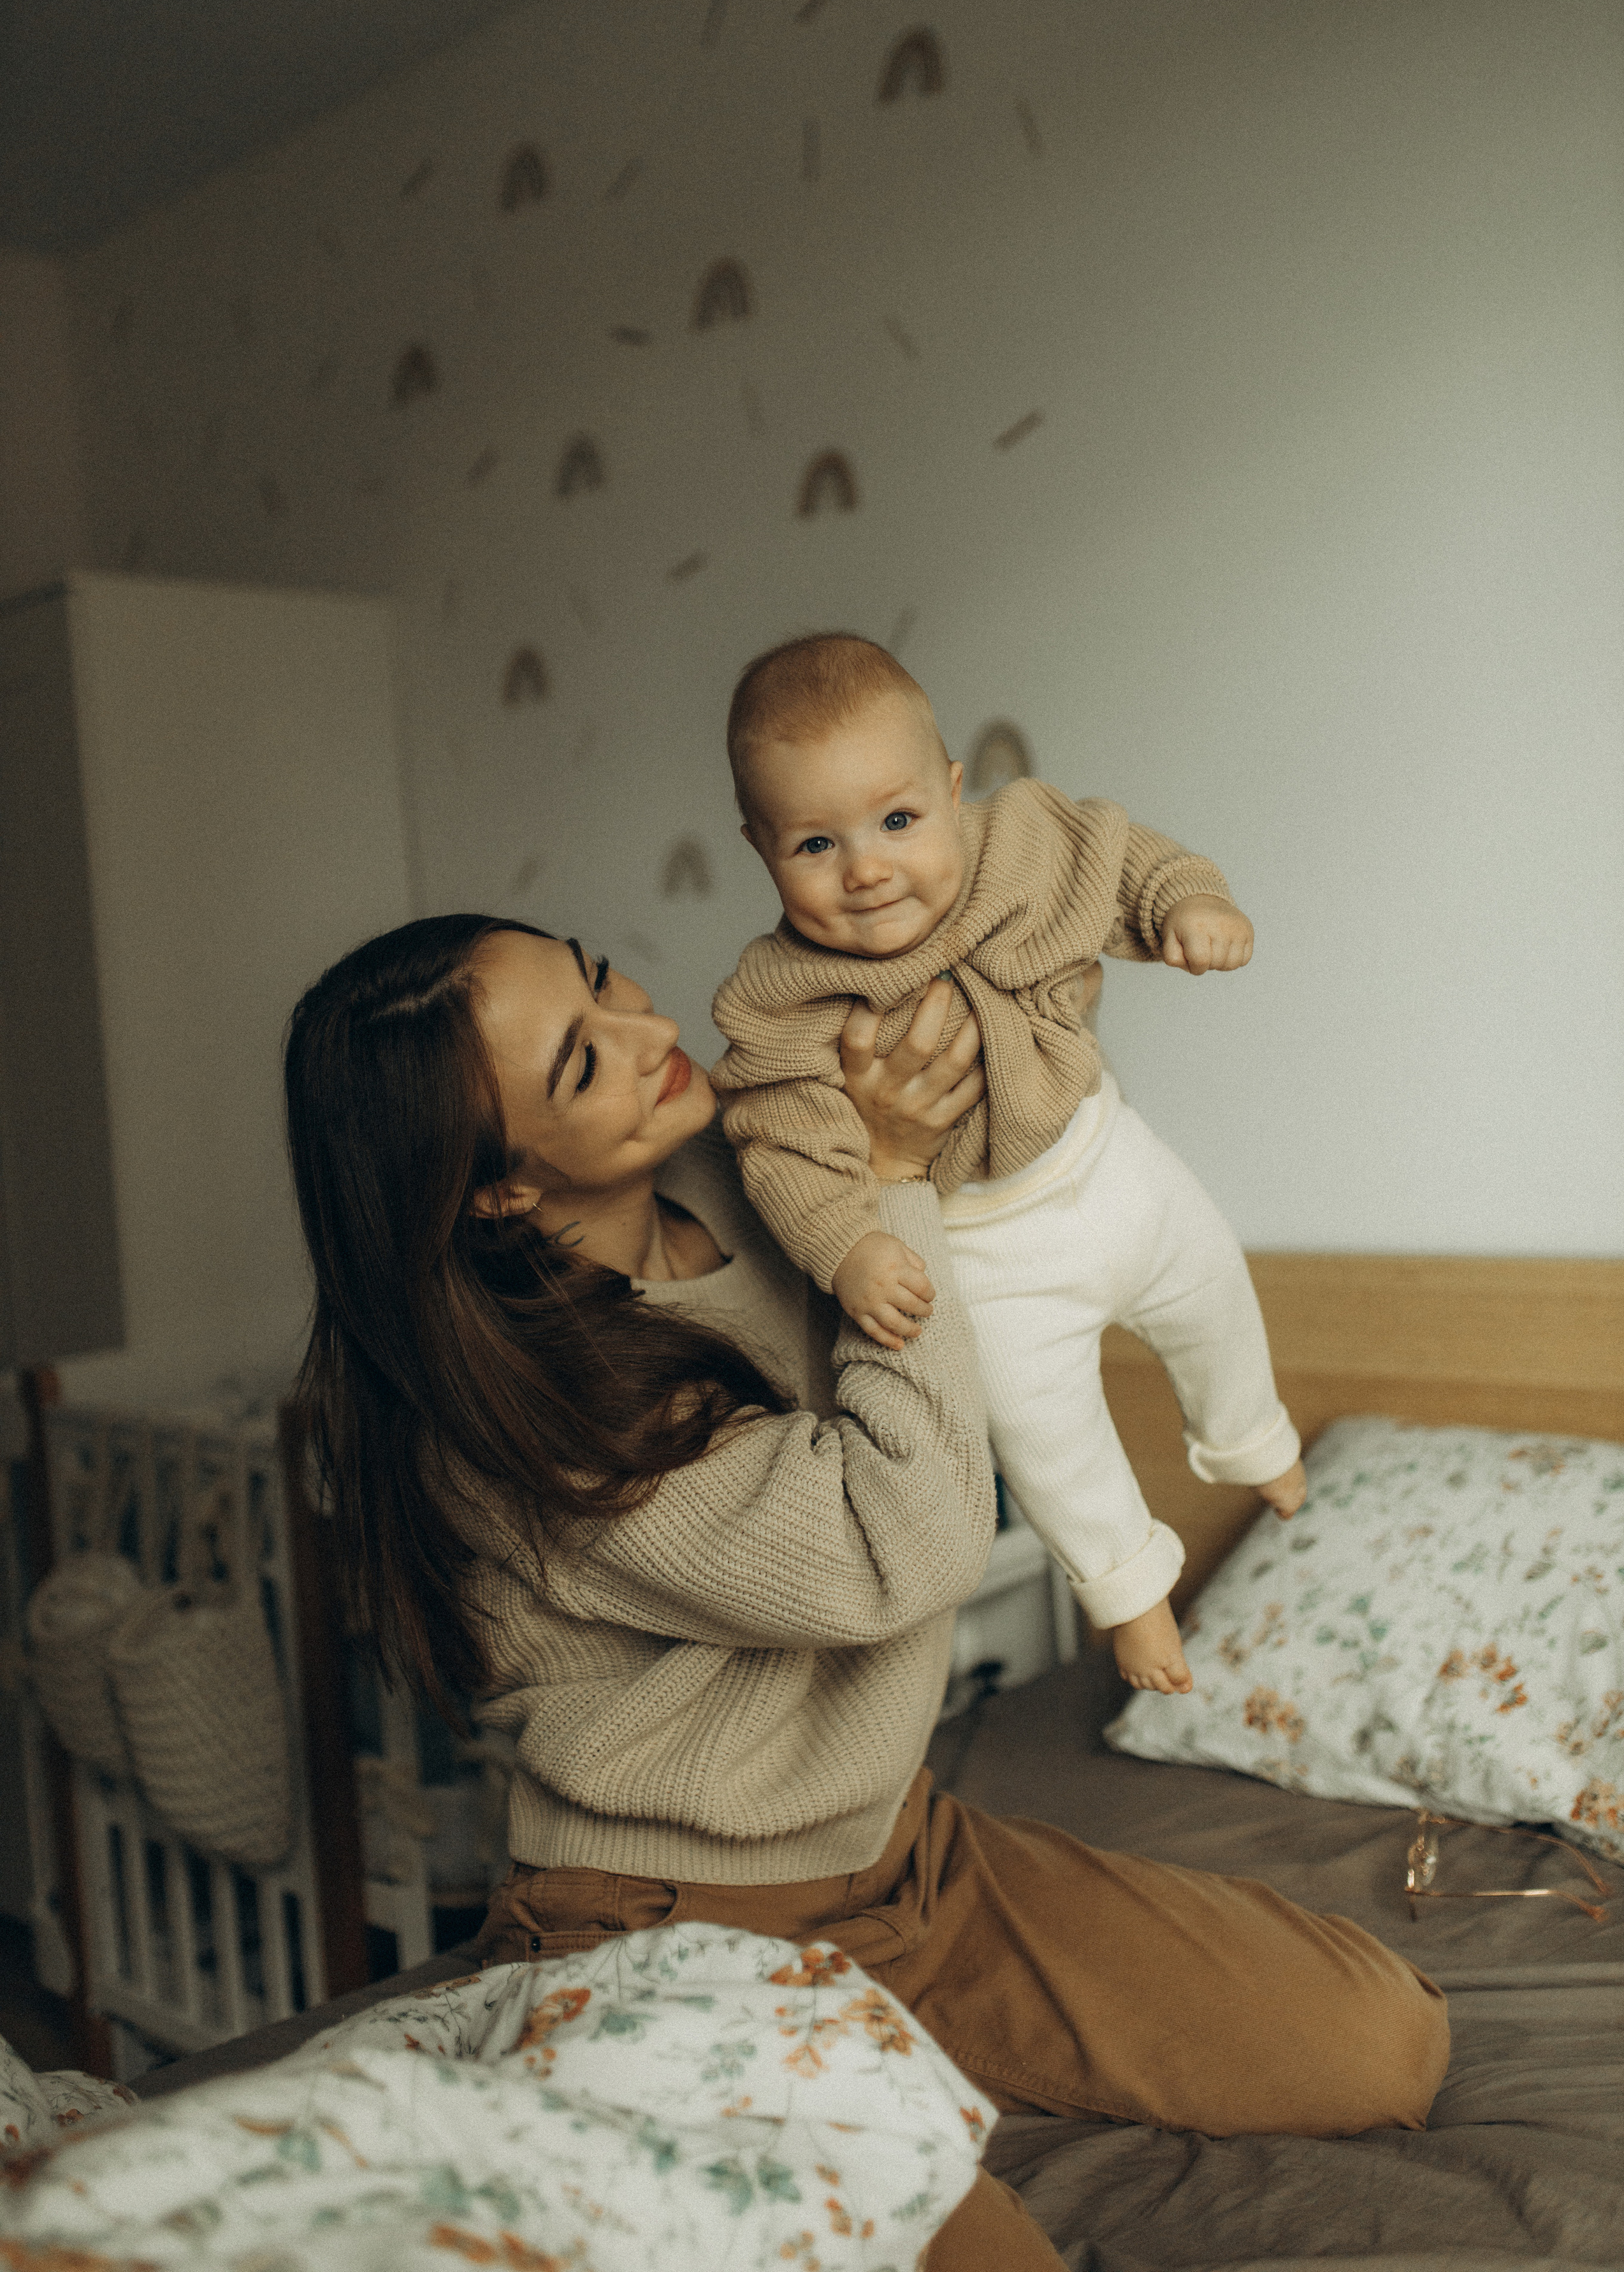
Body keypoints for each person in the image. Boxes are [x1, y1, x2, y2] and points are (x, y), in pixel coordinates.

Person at [284, 914, 1449, 2272]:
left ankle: (900, 2042)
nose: (650, 1033)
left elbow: (990, 1138)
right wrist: (884, 1185)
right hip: (667, 1928)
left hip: (901, 1859)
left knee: (1385, 2041)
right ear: (490, 1190)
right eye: (585, 1064)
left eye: (602, 979)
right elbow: (910, 1547)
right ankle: (648, 2079)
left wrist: (1015, 1013)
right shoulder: (525, 1425)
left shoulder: (739, 1168)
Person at [713, 632, 1303, 1697]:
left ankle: (1254, 1439)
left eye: (898, 821)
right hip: (981, 1246)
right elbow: (779, 1141)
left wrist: (1190, 905)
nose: (866, 870)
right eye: (815, 845)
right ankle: (1131, 1595)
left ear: (953, 792)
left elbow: (1127, 861)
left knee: (1214, 1289)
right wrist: (846, 1245)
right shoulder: (779, 999)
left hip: (1107, 1161)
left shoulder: (1025, 842)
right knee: (1042, 1433)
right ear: (759, 846)